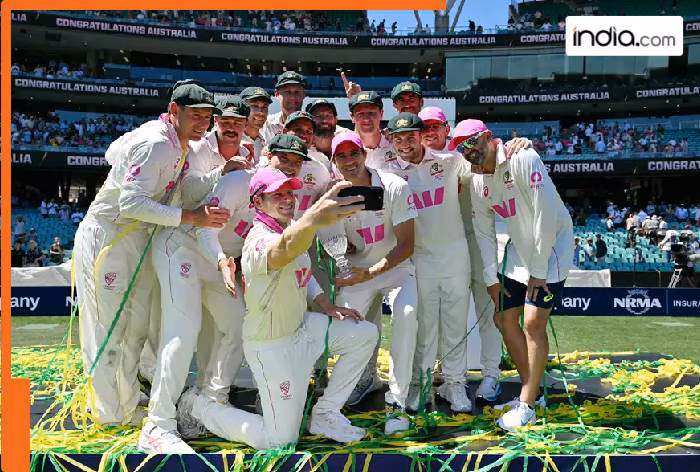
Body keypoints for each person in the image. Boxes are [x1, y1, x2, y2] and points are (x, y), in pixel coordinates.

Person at [176, 168, 378, 449]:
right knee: (280, 441)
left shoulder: (290, 226)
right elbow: (282, 252)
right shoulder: (259, 240)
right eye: (277, 195)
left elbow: (301, 270)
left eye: (289, 193)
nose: (287, 199)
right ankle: (198, 406)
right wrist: (313, 219)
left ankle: (326, 414)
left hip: (302, 329)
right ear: (258, 203)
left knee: (364, 334)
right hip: (271, 347)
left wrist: (325, 303)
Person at [74, 80, 229, 435]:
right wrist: (192, 217)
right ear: (174, 111)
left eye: (207, 116)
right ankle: (108, 412)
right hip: (109, 236)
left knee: (135, 326)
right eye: (195, 115)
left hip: (137, 237)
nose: (202, 122)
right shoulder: (155, 143)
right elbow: (130, 202)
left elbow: (112, 152)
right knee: (107, 327)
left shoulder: (177, 143)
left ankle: (126, 400)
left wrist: (223, 173)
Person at [141, 96, 254, 454]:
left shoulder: (252, 157)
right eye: (226, 120)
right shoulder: (195, 147)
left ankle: (205, 404)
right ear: (217, 122)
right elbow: (188, 194)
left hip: (217, 256)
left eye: (239, 121)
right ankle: (157, 423)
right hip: (183, 246)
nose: (232, 127)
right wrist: (224, 171)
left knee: (238, 324)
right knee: (182, 331)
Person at [453, 119, 574, 431]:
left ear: (488, 137)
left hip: (552, 249)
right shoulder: (477, 180)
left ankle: (527, 406)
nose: (468, 150)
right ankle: (531, 392)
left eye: (472, 142)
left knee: (533, 323)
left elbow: (546, 215)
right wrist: (491, 280)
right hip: (519, 251)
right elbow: (483, 231)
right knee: (503, 319)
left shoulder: (523, 158)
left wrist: (538, 272)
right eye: (462, 147)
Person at [376, 113, 473, 413]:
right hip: (418, 258)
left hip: (455, 254)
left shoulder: (450, 161)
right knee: (425, 327)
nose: (405, 144)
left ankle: (455, 383)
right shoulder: (387, 174)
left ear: (421, 136)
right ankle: (421, 383)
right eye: (398, 139)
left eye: (410, 136)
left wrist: (511, 147)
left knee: (455, 323)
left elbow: (486, 163)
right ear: (391, 141)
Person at [330, 131, 418, 433]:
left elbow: (406, 245)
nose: (349, 161)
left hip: (396, 269)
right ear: (334, 162)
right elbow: (336, 245)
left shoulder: (394, 186)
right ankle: (358, 384)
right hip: (357, 271)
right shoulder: (333, 196)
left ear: (364, 155)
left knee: (406, 315)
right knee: (349, 329)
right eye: (341, 156)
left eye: (353, 153)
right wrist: (347, 263)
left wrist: (368, 273)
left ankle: (397, 402)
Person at [262, 71, 306, 143]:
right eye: (287, 92)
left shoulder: (313, 126)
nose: (292, 97)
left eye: (297, 92)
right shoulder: (266, 123)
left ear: (304, 94)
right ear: (276, 93)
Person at [240, 87, 272, 162]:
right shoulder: (232, 140)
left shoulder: (266, 141)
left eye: (265, 106)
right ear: (242, 108)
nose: (261, 112)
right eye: (254, 106)